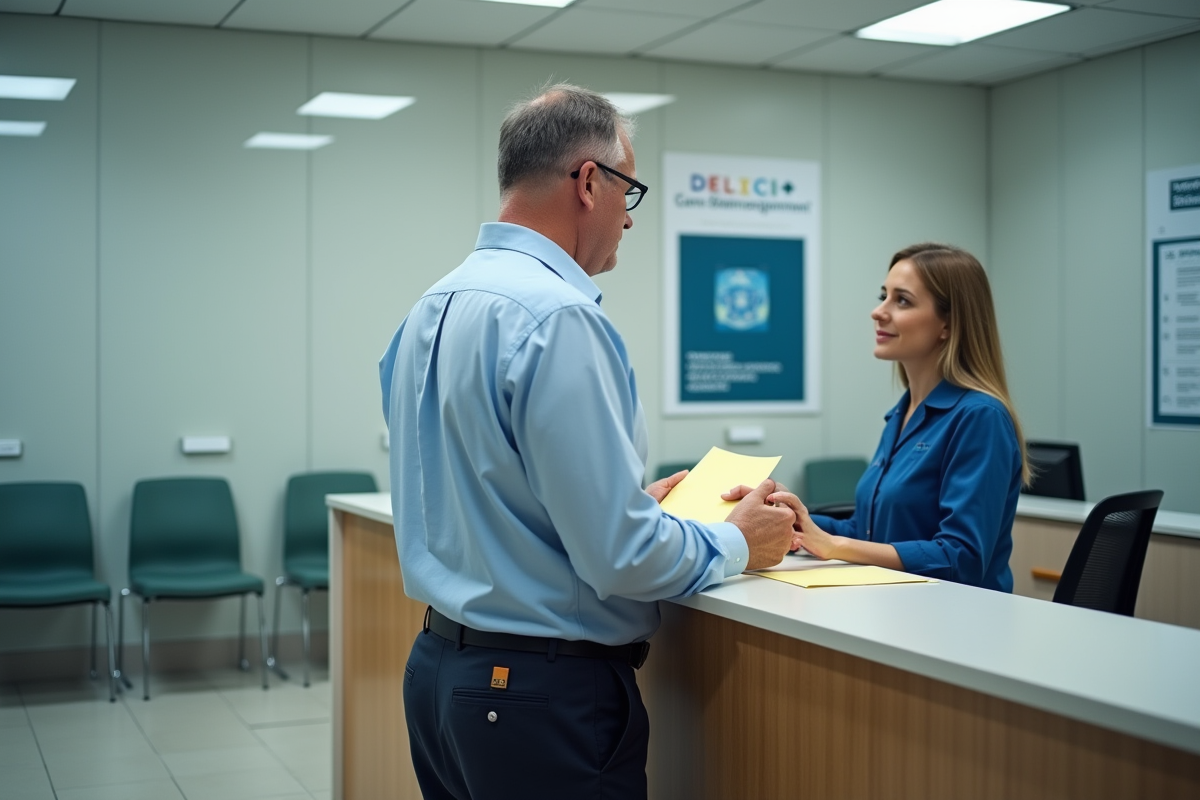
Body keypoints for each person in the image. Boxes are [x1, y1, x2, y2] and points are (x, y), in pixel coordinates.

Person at [378, 83, 796, 800]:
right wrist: (737, 540)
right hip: (539, 698)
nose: (628, 219)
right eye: (629, 192)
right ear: (589, 181)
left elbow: (484, 489)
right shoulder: (560, 318)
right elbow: (620, 557)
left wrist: (626, 505)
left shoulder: (430, 308)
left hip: (440, 675)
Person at [728, 243, 1029, 591]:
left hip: (957, 616)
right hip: (893, 606)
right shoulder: (903, 414)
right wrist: (787, 515)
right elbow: (867, 533)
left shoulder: (980, 417)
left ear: (948, 323)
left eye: (902, 301)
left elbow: (963, 558)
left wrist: (835, 546)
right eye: (883, 296)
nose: (878, 312)